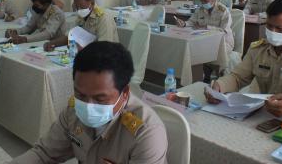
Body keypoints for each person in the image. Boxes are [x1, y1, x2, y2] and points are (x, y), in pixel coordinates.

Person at [11, 41, 168, 164]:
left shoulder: (145, 133)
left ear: (124, 93)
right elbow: (44, 153)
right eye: (80, 94)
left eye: (100, 99)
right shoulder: (73, 112)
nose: (88, 105)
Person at [205, 0, 282, 117]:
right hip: (268, 114)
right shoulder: (257, 49)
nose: (273, 31)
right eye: (269, 26)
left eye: (280, 29)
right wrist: (219, 87)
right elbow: (238, 77)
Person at [175, 0, 235, 81]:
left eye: (205, 1)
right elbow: (192, 21)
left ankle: (220, 78)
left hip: (223, 42)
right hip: (205, 40)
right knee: (193, 50)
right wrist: (184, 24)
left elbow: (224, 30)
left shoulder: (223, 11)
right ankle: (200, 77)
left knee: (208, 52)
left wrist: (206, 27)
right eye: (201, 1)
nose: (203, 3)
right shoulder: (200, 9)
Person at [44, 0, 118, 51]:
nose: (78, 9)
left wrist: (84, 50)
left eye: (81, 6)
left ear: (92, 3)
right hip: (87, 55)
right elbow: (69, 36)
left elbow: (105, 47)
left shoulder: (103, 18)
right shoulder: (81, 16)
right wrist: (52, 43)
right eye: (76, 6)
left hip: (106, 59)